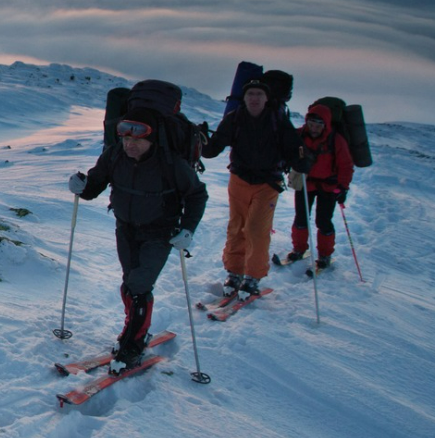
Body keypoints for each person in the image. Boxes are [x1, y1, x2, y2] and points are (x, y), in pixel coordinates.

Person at [69, 107, 208, 373]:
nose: (130, 144)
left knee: (139, 284)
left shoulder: (170, 163)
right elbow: (94, 185)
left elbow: (197, 195)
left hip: (161, 232)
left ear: (152, 138)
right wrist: (81, 187)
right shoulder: (114, 155)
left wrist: (187, 229)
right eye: (126, 138)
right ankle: (134, 330)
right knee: (129, 283)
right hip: (126, 228)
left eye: (137, 139)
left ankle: (133, 344)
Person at [200, 76, 301, 296]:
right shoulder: (234, 118)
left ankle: (253, 276)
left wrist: (302, 162)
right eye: (250, 94)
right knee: (237, 227)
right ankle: (234, 272)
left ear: (267, 98)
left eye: (259, 94)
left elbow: (293, 149)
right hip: (238, 180)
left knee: (256, 229)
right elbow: (214, 148)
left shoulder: (278, 119)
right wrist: (202, 143)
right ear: (243, 98)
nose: (254, 98)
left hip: (268, 183)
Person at [283, 102, 354, 269]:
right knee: (301, 219)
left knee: (323, 221)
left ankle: (325, 254)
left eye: (318, 125)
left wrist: (342, 188)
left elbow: (346, 165)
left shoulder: (336, 140)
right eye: (311, 124)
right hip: (305, 184)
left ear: (326, 124)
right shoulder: (299, 135)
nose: (314, 128)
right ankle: (299, 249)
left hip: (329, 187)